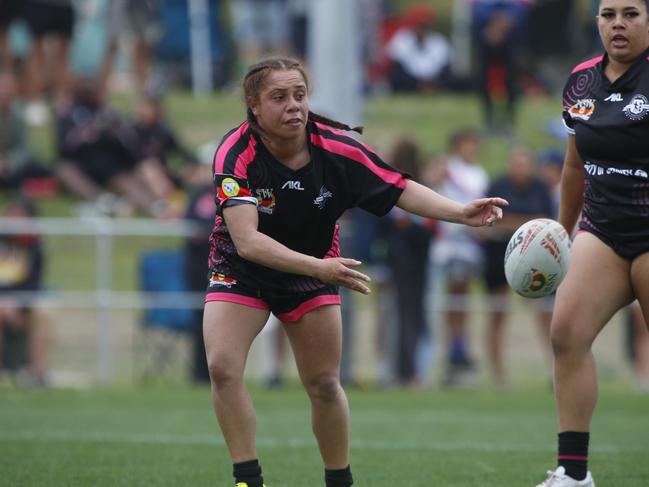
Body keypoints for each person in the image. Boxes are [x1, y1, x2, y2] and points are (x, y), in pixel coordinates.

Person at [202, 56, 507, 487]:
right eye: (279, 97)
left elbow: (398, 187)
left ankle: (339, 482)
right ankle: (247, 480)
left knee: (324, 383)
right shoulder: (235, 153)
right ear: (253, 105)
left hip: (315, 267)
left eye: (300, 95)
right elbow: (248, 242)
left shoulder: (337, 147)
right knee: (223, 367)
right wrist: (319, 268)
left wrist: (460, 212)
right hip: (244, 266)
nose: (294, 105)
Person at [534, 1, 649, 485]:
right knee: (567, 334)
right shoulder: (581, 80)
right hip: (601, 229)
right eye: (607, 14)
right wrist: (561, 234)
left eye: (631, 14)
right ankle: (573, 474)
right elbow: (575, 166)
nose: (617, 24)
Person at [480, 145, 555, 388]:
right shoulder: (497, 187)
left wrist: (512, 224)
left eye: (525, 162)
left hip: (537, 262)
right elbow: (488, 224)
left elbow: (549, 222)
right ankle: (498, 376)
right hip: (498, 258)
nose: (520, 168)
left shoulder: (540, 188)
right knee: (497, 315)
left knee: (546, 316)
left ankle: (555, 371)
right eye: (516, 162)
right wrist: (529, 223)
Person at [431, 128, 489, 387]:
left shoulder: (478, 174)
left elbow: (474, 199)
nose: (472, 149)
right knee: (448, 297)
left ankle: (459, 344)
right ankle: (450, 346)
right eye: (468, 144)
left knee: (461, 295)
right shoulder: (446, 167)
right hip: (446, 244)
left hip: (468, 243)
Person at [0, 197, 49, 387]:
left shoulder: (34, 246)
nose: (12, 219)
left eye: (18, 215)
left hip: (21, 302)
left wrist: (19, 306)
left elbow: (33, 284)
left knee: (45, 313)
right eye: (10, 214)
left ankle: (35, 373)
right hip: (2, 301)